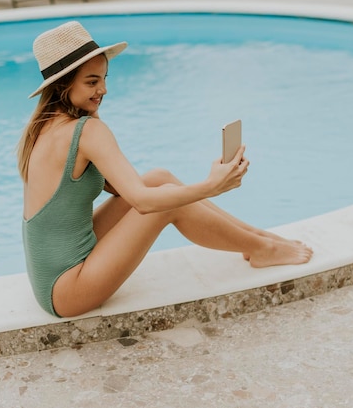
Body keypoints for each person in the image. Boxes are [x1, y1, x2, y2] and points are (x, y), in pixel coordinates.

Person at [17, 21, 313, 318]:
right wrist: (213, 186)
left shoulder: (43, 126)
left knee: (159, 178)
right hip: (66, 289)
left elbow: (124, 189)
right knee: (163, 204)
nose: (104, 90)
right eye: (92, 82)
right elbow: (143, 204)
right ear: (63, 85)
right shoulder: (87, 131)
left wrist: (91, 106)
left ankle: (258, 240)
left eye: (104, 79)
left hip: (51, 276)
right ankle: (263, 250)